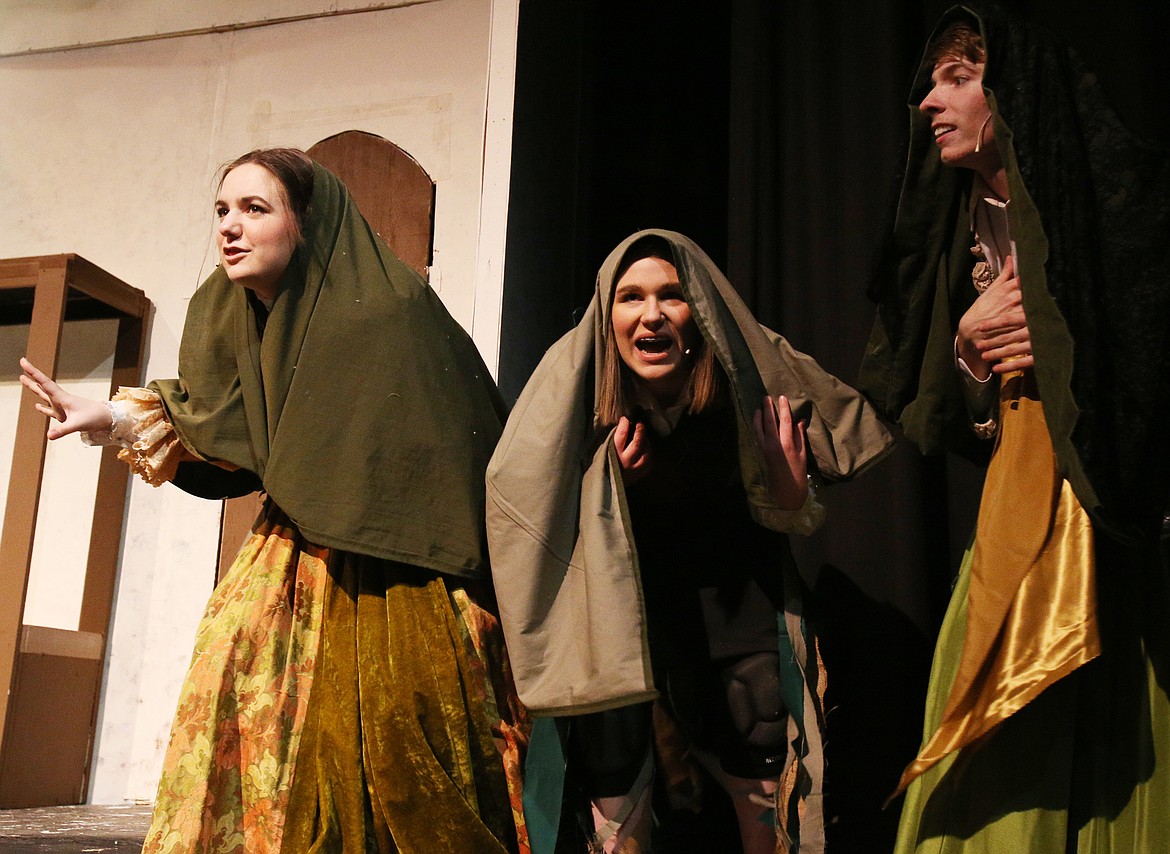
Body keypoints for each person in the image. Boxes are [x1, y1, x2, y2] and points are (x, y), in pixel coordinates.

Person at [20, 148, 528, 853]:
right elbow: (218, 421)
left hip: (401, 567)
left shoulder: (387, 313)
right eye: (222, 211)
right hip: (293, 552)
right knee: (240, 698)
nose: (230, 227)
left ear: (306, 225)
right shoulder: (228, 313)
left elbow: (448, 447)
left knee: (392, 741)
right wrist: (106, 418)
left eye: (255, 209)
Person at [860, 5, 1170, 850]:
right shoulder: (962, 227)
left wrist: (1076, 337)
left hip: (1106, 519)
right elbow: (959, 422)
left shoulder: (1109, 213)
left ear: (1016, 94)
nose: (930, 100)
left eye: (958, 79)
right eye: (931, 81)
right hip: (1015, 506)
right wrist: (967, 351)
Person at [486, 230, 893, 853]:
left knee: (761, 776)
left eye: (671, 296)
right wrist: (614, 489)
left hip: (730, 631)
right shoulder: (574, 404)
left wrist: (785, 494)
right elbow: (524, 497)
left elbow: (784, 508)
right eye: (631, 298)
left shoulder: (741, 386)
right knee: (616, 798)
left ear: (697, 311)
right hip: (620, 632)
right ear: (607, 313)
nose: (651, 315)